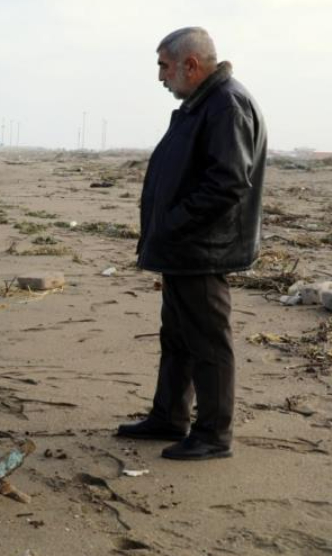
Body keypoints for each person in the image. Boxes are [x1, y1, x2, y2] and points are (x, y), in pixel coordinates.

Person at [117, 27, 267, 460]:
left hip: (203, 249)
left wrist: (175, 224)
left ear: (191, 65)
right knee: (178, 337)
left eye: (164, 66)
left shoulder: (226, 104)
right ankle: (169, 416)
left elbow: (228, 182)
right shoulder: (201, 104)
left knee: (208, 341)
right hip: (183, 248)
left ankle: (213, 435)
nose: (161, 76)